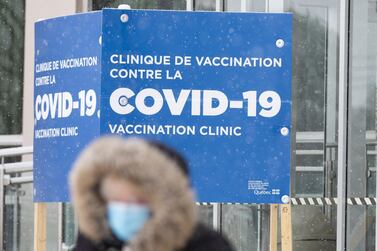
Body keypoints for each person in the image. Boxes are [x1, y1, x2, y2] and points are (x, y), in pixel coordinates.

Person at [70, 136, 234, 251]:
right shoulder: (94, 240)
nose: (125, 210)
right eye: (116, 200)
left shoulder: (204, 245)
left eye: (137, 200)